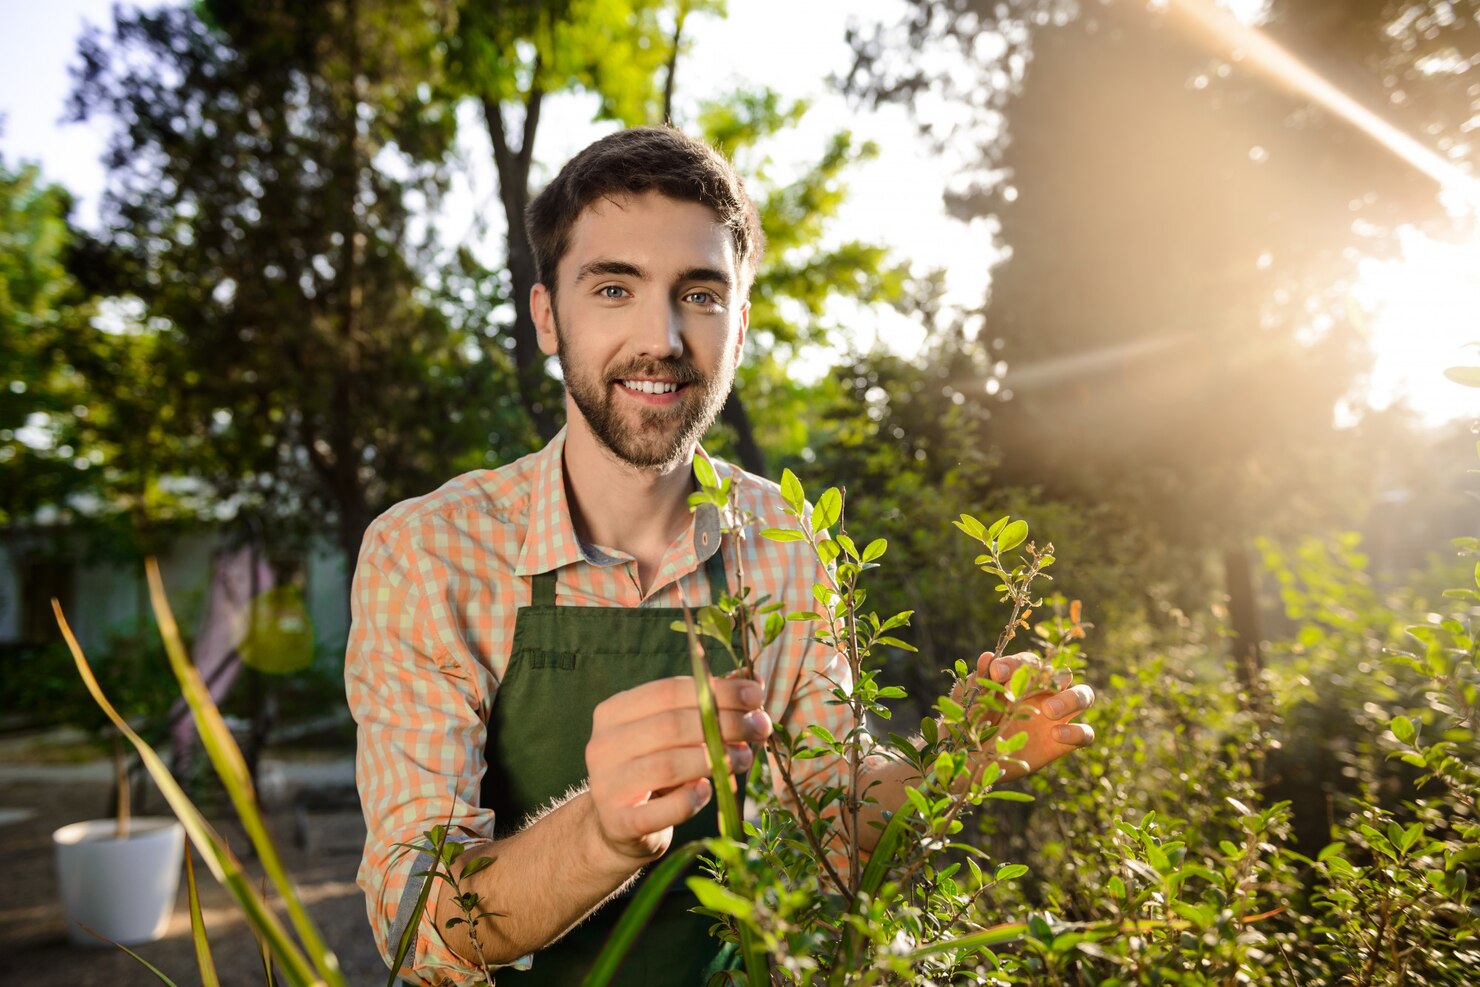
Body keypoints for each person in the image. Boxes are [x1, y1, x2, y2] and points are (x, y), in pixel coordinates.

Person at [345, 126, 1096, 987]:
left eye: (699, 294)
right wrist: (602, 834)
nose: (660, 336)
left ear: (739, 325)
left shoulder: (785, 536)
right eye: (614, 287)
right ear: (548, 316)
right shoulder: (430, 553)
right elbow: (422, 923)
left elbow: (830, 804)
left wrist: (950, 763)